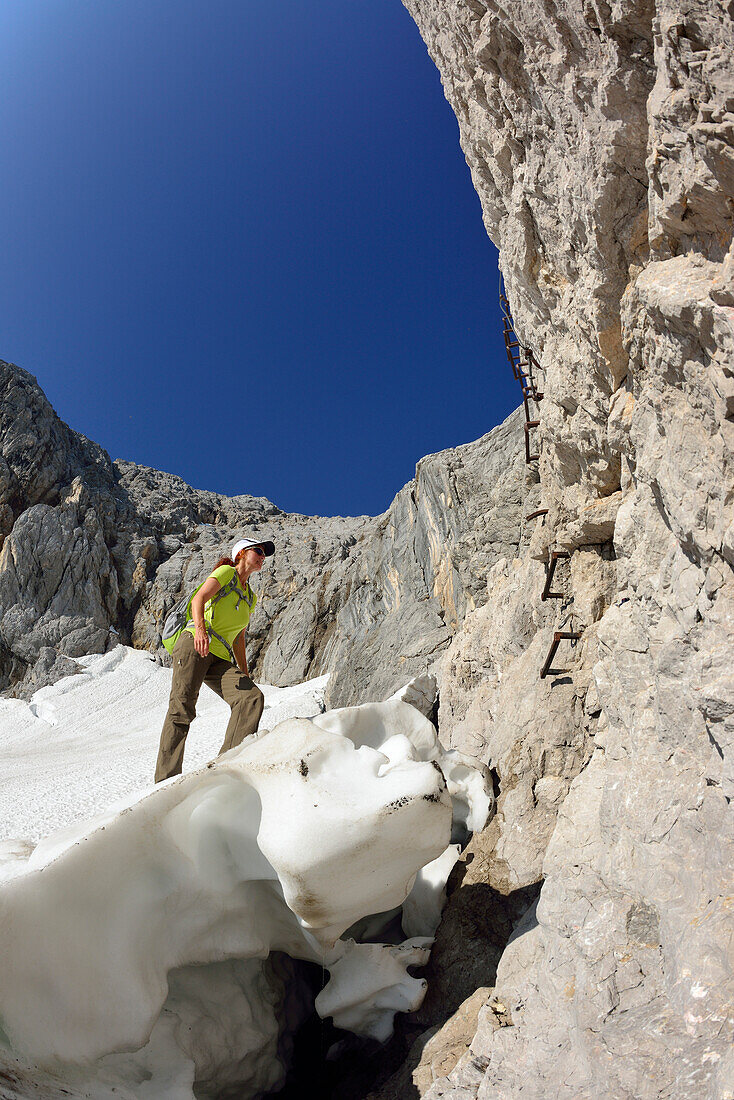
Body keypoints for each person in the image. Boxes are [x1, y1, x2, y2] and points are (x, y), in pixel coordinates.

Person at [154, 536, 274, 782]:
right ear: (241, 553)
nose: (263, 557)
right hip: (195, 644)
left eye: (264, 554)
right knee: (181, 709)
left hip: (219, 657)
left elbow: (239, 637)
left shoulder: (249, 597)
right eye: (259, 550)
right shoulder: (226, 572)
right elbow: (199, 599)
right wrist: (199, 629)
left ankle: (226, 769)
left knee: (250, 697)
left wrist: (244, 671)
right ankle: (165, 781)